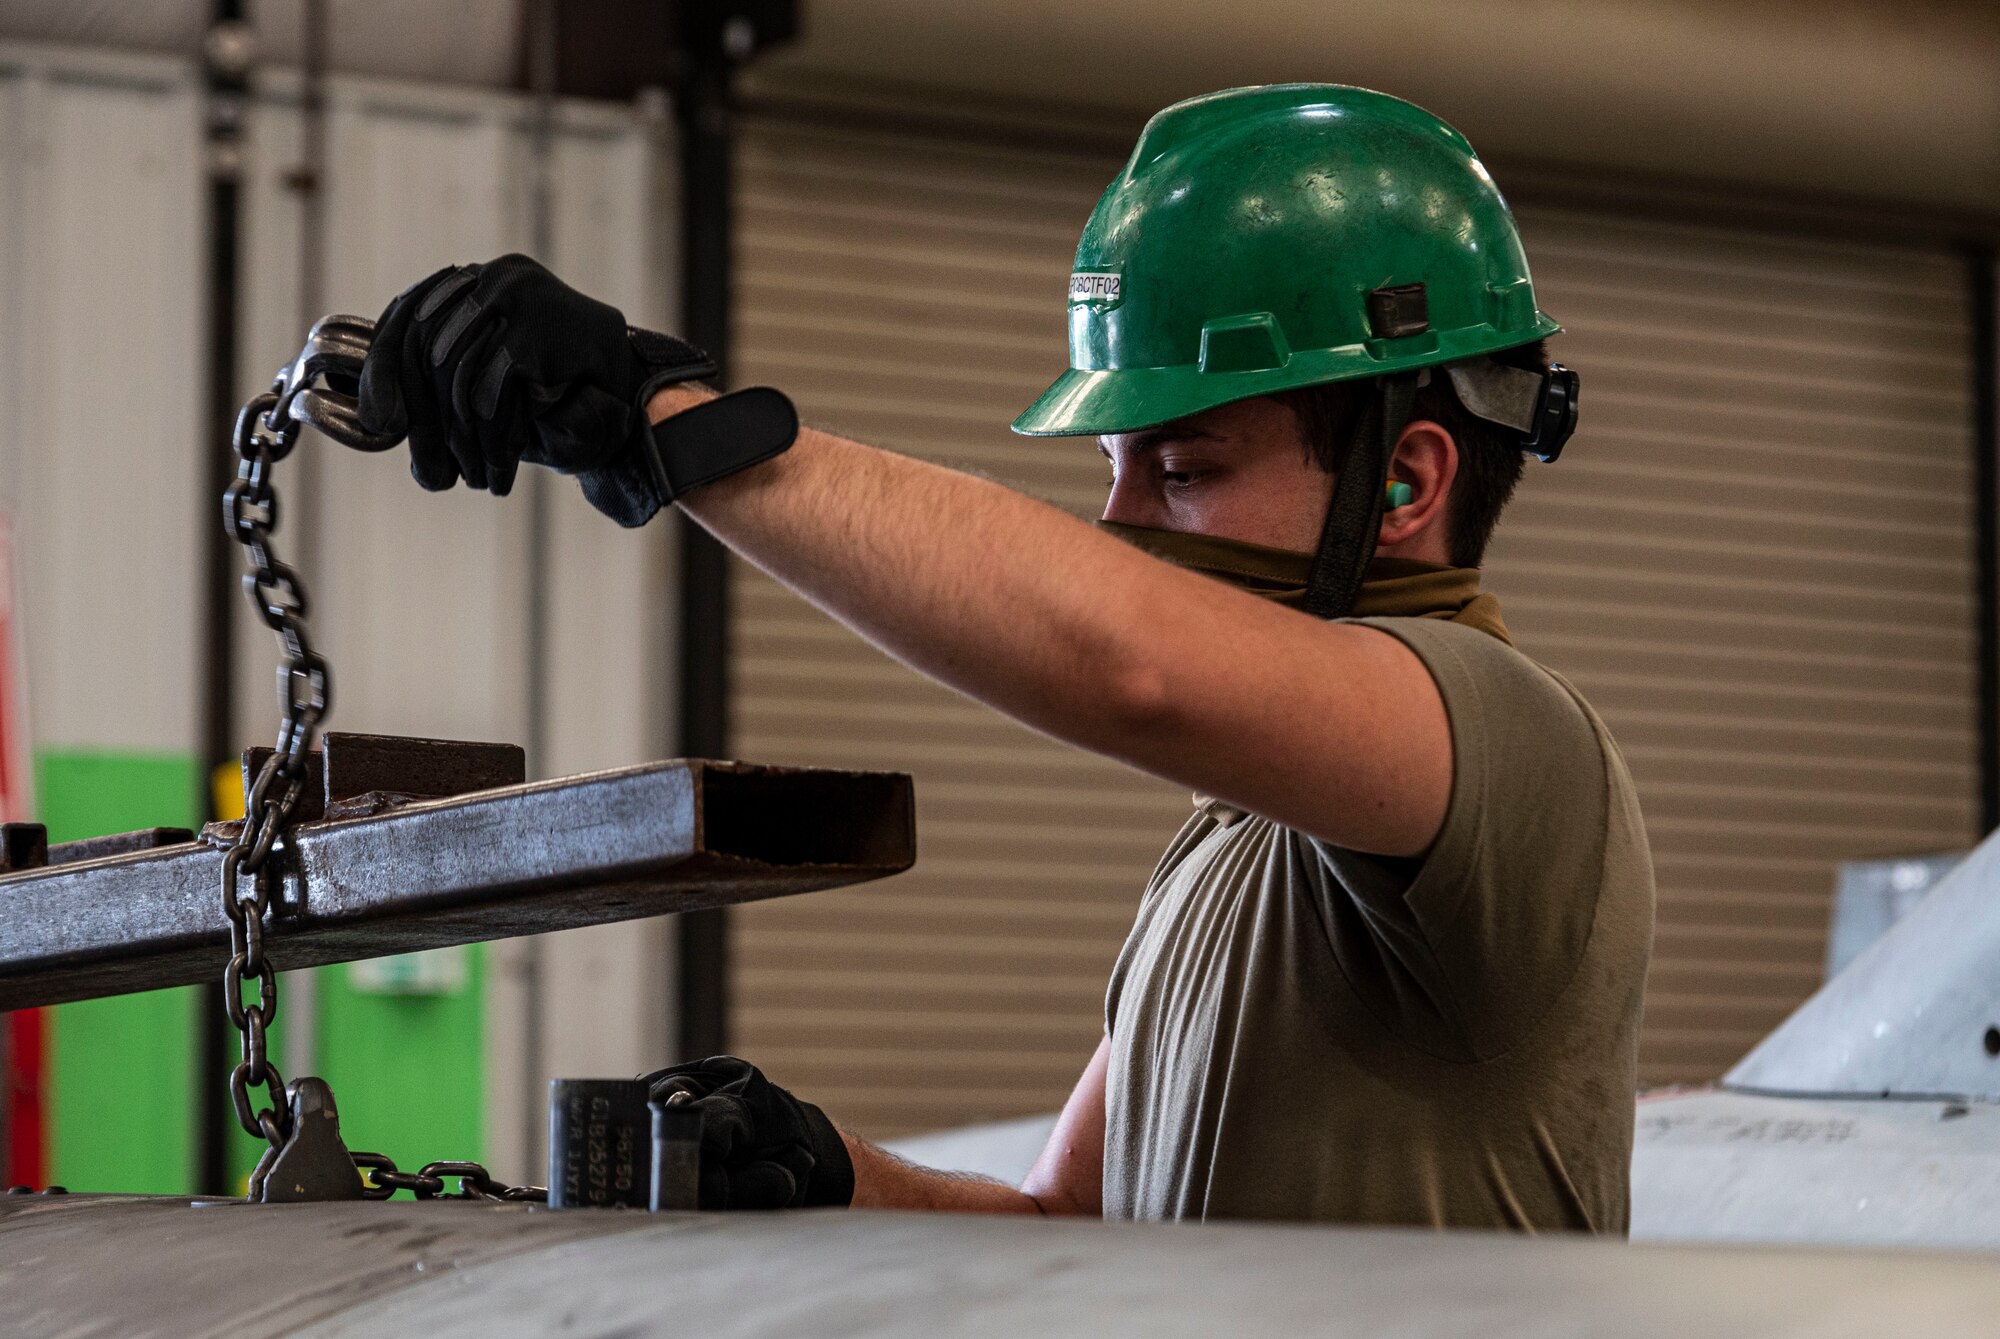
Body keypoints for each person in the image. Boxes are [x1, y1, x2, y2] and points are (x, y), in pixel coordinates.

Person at [355, 84, 1654, 1232]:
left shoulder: (1512, 751)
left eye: (1186, 470)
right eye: (1115, 469)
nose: (1119, 525)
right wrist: (826, 1173)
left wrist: (671, 428)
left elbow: (1127, 661)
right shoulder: (1247, 838)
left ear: (1406, 481)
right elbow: (1071, 1219)